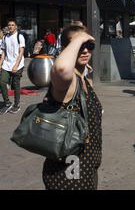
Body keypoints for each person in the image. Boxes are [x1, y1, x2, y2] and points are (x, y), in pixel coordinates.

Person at [42, 25, 102, 190]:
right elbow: (61, 69)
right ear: (66, 49)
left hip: (86, 168)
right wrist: (80, 39)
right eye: (78, 45)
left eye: (89, 45)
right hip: (67, 173)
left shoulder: (83, 80)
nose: (84, 51)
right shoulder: (68, 84)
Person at [0, 19, 26, 115]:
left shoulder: (20, 36)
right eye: (9, 25)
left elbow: (21, 52)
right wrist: (0, 63)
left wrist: (16, 65)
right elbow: (3, 52)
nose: (10, 26)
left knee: (15, 85)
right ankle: (7, 103)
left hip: (18, 64)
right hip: (7, 64)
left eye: (12, 25)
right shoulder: (5, 37)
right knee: (2, 82)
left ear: (16, 26)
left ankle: (16, 105)